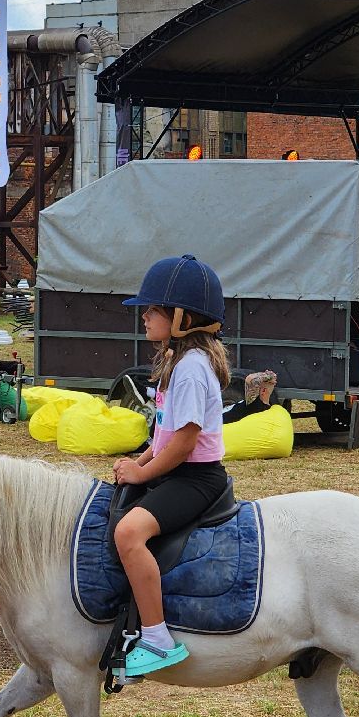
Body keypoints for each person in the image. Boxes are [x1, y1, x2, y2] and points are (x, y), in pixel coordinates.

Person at [111, 254, 229, 679]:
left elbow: (184, 443)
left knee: (128, 533)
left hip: (196, 477)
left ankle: (158, 639)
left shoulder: (193, 369)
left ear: (182, 318)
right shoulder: (176, 361)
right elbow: (163, 433)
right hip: (174, 469)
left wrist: (144, 474)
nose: (144, 316)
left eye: (153, 310)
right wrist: (138, 460)